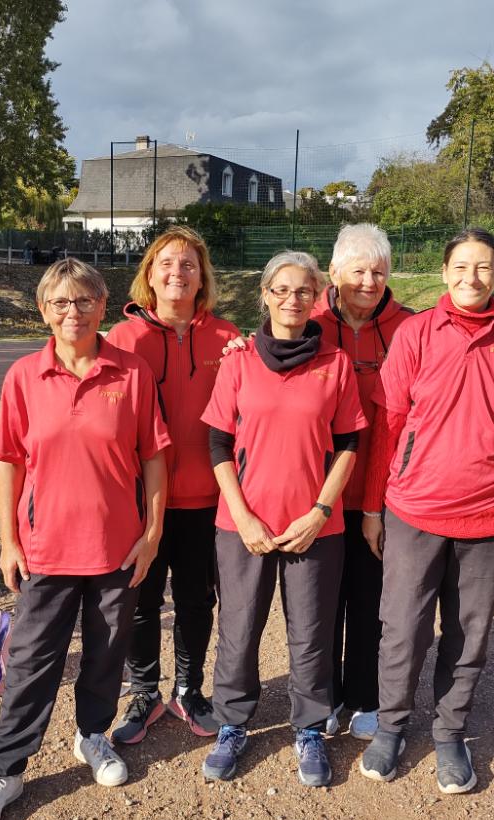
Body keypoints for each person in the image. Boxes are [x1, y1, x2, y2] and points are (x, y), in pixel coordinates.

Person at [0, 258, 171, 820]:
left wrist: (151, 535)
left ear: (102, 306)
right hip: (44, 548)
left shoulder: (131, 372)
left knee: (106, 653)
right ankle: (5, 771)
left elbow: (154, 457)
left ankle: (93, 735)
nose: (72, 312)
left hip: (116, 547)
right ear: (43, 311)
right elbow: (9, 461)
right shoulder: (24, 376)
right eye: (60, 302)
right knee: (32, 661)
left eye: (83, 301)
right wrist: (8, 541)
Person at [358, 228, 494, 794]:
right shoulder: (415, 333)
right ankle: (391, 726)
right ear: (444, 272)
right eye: (461, 266)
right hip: (415, 508)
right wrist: (372, 507)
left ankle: (450, 732)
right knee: (402, 629)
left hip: (491, 511)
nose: (471, 277)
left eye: (483, 267)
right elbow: (388, 425)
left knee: (469, 631)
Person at [200, 250, 367, 788]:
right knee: (238, 627)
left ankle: (310, 727)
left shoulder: (335, 364)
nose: (292, 300)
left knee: (312, 633)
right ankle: (232, 723)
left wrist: (320, 512)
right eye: (282, 289)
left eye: (303, 291)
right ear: (265, 295)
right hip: (243, 525)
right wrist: (243, 516)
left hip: (314, 527)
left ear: (316, 297)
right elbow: (218, 443)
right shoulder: (239, 360)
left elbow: (349, 443)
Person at [106, 226, 241, 744]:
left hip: (207, 498)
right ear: (150, 274)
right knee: (141, 600)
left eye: (188, 264)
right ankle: (145, 691)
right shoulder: (124, 339)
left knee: (196, 600)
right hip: (141, 499)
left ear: (202, 276)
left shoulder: (228, 338)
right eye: (166, 263)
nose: (177, 272)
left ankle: (189, 688)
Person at [312, 223, 413, 742]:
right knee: (321, 602)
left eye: (378, 272)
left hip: (385, 490)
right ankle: (324, 695)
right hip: (320, 492)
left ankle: (366, 695)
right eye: (358, 271)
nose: (369, 282)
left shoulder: (411, 328)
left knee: (374, 599)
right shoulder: (306, 323)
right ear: (334, 272)